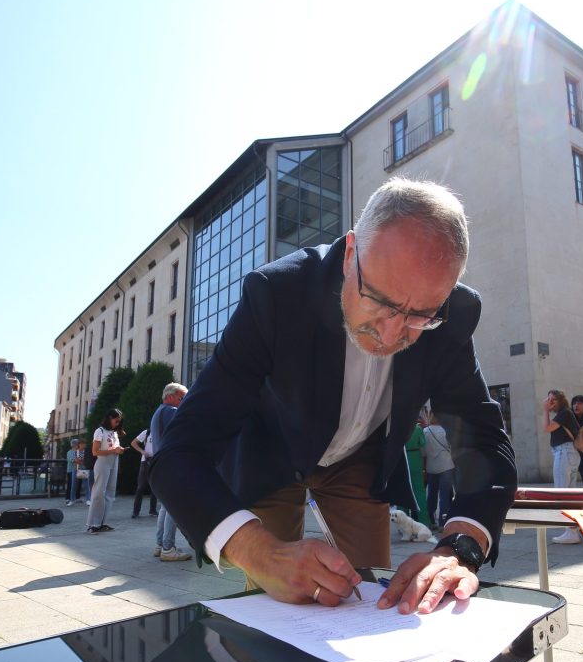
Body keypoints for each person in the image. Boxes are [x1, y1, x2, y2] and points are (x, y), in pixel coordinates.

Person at [151, 178, 516, 614]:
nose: (391, 333)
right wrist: (259, 551)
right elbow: (179, 451)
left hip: (360, 462)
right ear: (349, 254)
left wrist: (459, 549)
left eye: (421, 316)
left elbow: (484, 439)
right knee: (274, 593)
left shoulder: (454, 315)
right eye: (379, 300)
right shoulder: (275, 295)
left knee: (369, 598)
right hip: (274, 449)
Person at [147, 383, 193, 561]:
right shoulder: (171, 412)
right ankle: (168, 548)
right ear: (170, 396)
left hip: (161, 463)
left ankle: (161, 545)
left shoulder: (159, 412)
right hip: (173, 463)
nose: (184, 402)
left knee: (166, 507)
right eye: (183, 398)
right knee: (174, 506)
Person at [543, 389, 581, 544]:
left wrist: (545, 410)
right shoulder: (565, 413)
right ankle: (574, 529)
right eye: (548, 399)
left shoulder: (565, 413)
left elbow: (547, 428)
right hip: (569, 453)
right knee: (569, 493)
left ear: (560, 401)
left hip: (564, 453)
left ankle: (571, 532)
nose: (550, 402)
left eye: (553, 400)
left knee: (562, 493)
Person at [87, 409, 125, 534]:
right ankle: (93, 524)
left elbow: (114, 448)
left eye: (119, 422)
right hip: (103, 463)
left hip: (113, 462)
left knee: (110, 494)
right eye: (116, 421)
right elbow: (95, 452)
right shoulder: (100, 431)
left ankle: (102, 523)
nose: (118, 424)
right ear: (109, 418)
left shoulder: (114, 433)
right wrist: (114, 451)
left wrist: (119, 450)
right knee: (99, 492)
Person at [422, 414, 456, 529]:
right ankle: (443, 522)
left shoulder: (425, 431)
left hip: (431, 467)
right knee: (444, 496)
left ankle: (431, 520)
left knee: (431, 494)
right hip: (446, 466)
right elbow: (452, 447)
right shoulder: (446, 431)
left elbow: (423, 452)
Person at [403, 418, 432, 527]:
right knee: (419, 492)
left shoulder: (397, 428)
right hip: (415, 459)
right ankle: (424, 521)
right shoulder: (417, 429)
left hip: (402, 460)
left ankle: (404, 524)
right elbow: (423, 446)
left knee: (403, 492)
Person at [130, 429, 158, 518]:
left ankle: (153, 510)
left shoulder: (162, 431)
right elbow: (133, 443)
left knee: (155, 487)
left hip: (157, 460)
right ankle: (136, 511)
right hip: (146, 461)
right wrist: (142, 451)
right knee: (141, 486)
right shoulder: (147, 432)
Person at [65, 439, 85, 505]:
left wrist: (79, 460)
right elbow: (72, 460)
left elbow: (82, 459)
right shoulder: (69, 452)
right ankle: (68, 498)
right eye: (78, 444)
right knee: (70, 484)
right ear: (74, 445)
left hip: (79, 469)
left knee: (79, 484)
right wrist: (79, 460)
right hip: (71, 470)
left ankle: (77, 497)